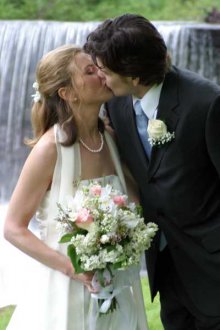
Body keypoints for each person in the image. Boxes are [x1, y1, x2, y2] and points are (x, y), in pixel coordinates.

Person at [84, 13, 220, 330]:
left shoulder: (207, 103)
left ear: (133, 75)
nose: (100, 77)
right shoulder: (116, 105)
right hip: (164, 266)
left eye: (103, 70)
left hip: (213, 266)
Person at [3, 44, 148, 330]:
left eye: (98, 68)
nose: (101, 74)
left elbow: (137, 203)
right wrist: (75, 269)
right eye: (90, 71)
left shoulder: (111, 139)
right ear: (67, 93)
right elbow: (13, 228)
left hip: (113, 286)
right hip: (63, 291)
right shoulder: (48, 150)